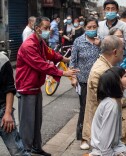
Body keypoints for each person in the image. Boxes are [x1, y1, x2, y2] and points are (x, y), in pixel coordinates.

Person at [16, 16, 79, 156]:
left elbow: (51, 54)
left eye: (49, 28)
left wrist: (66, 59)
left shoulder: (40, 42)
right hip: (26, 87)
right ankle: (25, 151)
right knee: (27, 123)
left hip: (35, 86)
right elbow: (41, 65)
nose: (48, 31)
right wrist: (64, 73)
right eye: (45, 28)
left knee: (37, 121)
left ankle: (36, 148)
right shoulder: (29, 45)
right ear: (37, 28)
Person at [83, 35, 126, 155]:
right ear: (115, 52)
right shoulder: (100, 71)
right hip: (109, 121)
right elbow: (108, 100)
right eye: (123, 49)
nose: (124, 52)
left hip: (122, 113)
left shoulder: (109, 66)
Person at [90, 67, 126, 156]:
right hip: (105, 152)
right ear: (117, 83)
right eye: (125, 76)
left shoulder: (115, 100)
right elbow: (105, 144)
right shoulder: (111, 105)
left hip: (115, 148)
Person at [70, 16, 101, 150]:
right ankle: (83, 137)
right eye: (89, 27)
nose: (92, 30)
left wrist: (100, 46)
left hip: (100, 81)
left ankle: (97, 137)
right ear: (84, 28)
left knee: (99, 108)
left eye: (94, 27)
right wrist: (73, 77)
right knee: (85, 109)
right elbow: (73, 61)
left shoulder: (101, 41)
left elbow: (107, 57)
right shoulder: (78, 41)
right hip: (83, 81)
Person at [0, 53, 31, 156]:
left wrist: (7, 113)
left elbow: (9, 88)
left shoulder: (2, 59)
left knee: (17, 151)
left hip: (2, 112)